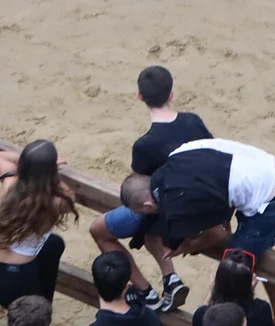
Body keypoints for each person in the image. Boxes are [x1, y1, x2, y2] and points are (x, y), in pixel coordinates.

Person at [120, 136, 275, 326]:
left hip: (270, 198)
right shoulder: (174, 158)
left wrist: (188, 246)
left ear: (148, 206)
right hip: (264, 168)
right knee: (258, 253)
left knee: (232, 272)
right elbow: (216, 188)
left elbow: (217, 234)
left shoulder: (181, 201)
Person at [90, 65, 211, 312]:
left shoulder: (144, 145)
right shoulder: (193, 121)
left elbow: (139, 186)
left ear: (140, 97)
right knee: (148, 225)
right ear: (171, 94)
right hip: (199, 206)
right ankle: (170, 279)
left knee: (99, 230)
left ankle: (145, 291)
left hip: (167, 213)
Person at [0, 140, 78, 308]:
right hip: (17, 279)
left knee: (54, 244)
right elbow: (70, 195)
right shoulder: (56, 202)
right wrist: (49, 171)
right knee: (32, 320)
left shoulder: (9, 182)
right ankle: (42, 309)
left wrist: (30, 161)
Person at [190, 249, 272, 326]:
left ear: (217, 281)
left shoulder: (202, 314)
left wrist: (212, 290)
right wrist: (248, 292)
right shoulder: (262, 310)